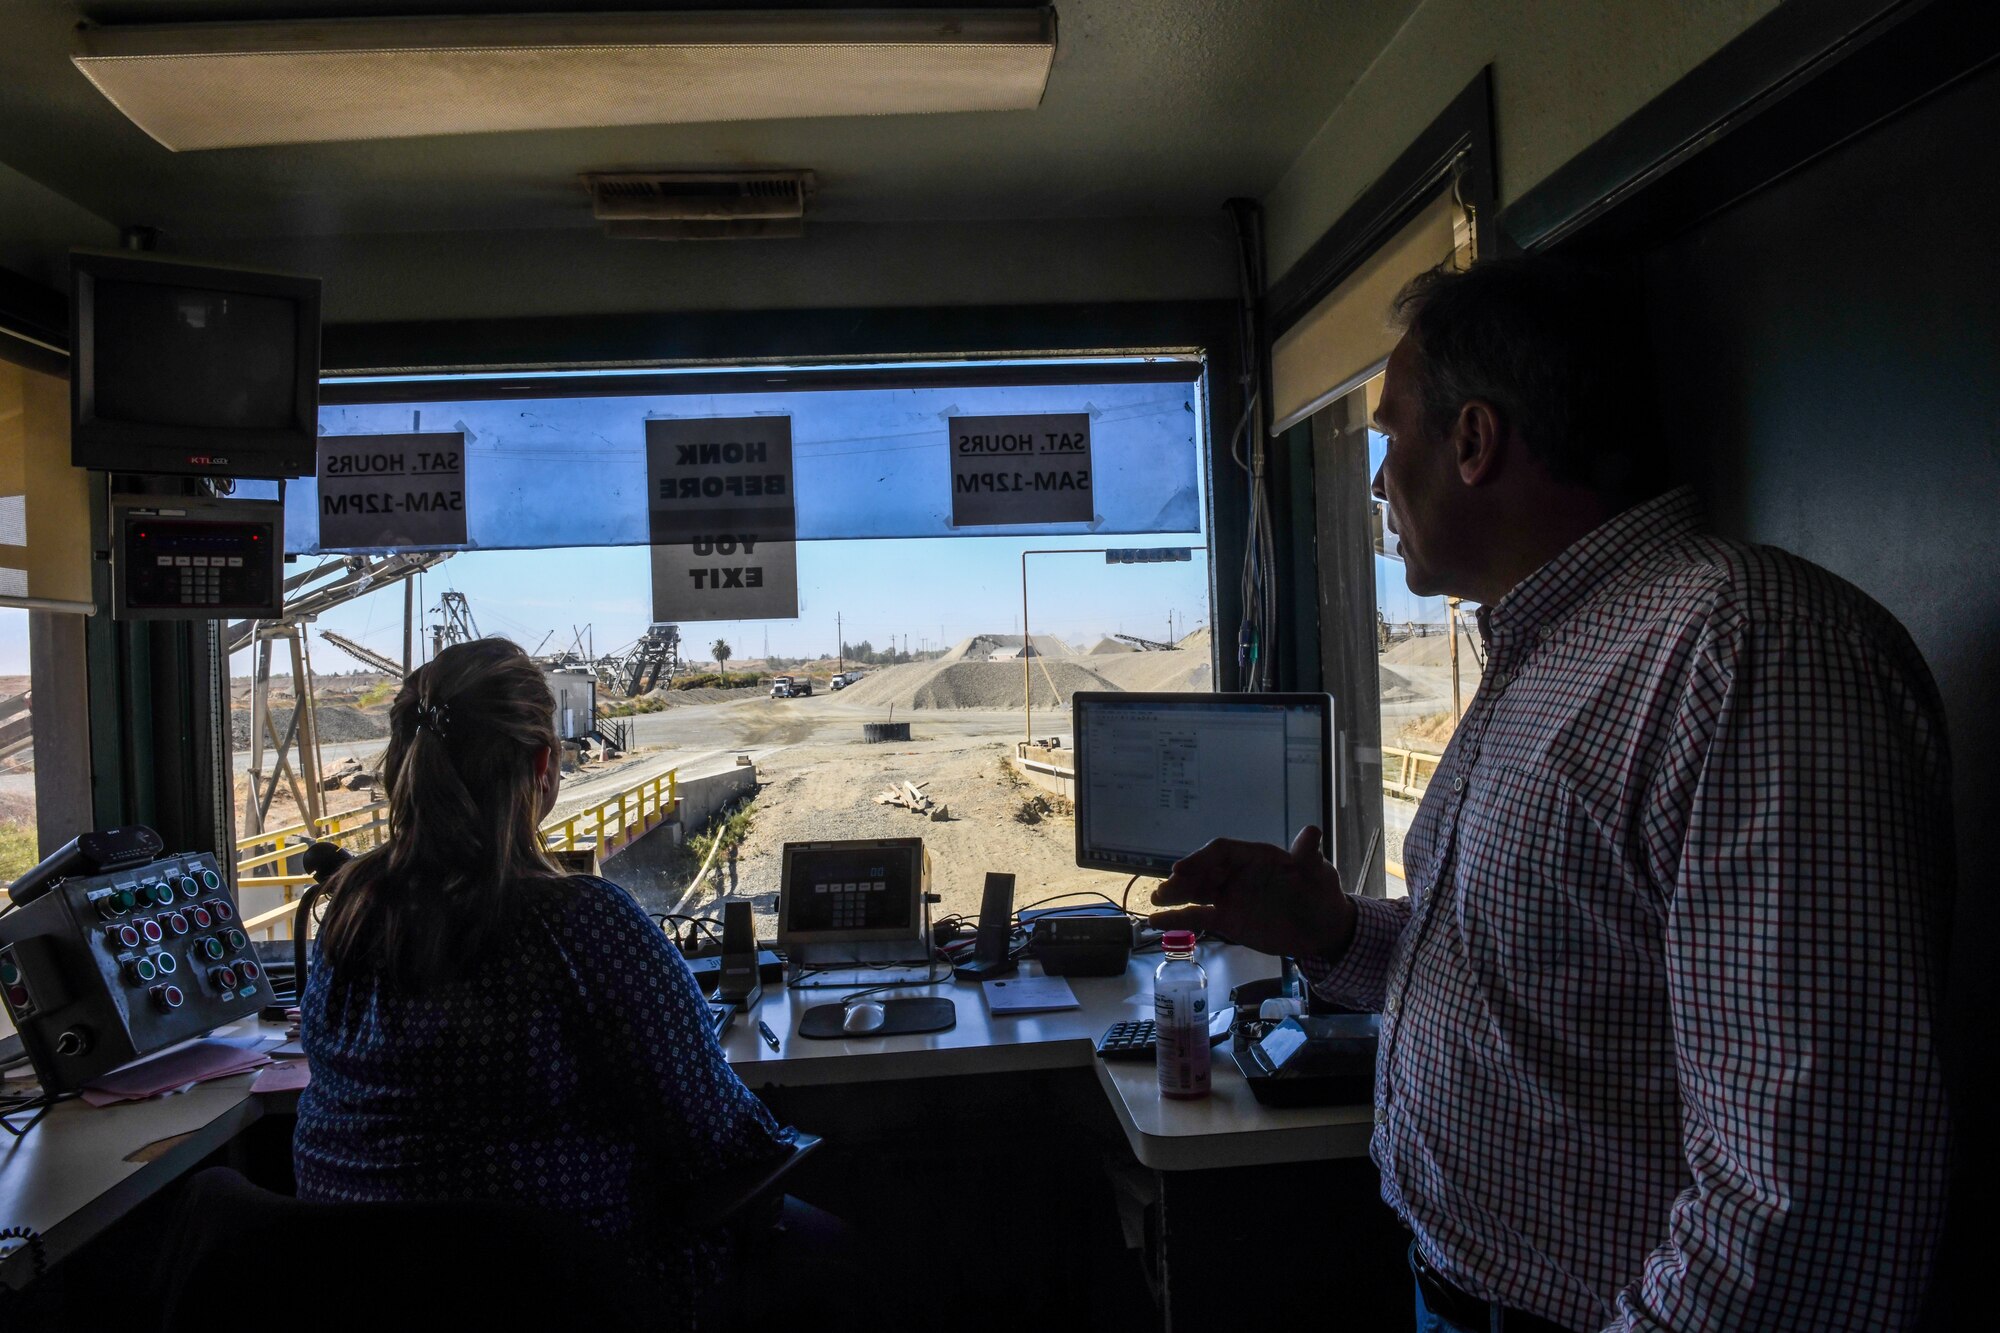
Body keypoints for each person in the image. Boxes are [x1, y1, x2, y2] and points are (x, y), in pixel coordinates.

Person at [1153, 257, 1952, 1332]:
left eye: (1391, 438)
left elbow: (1806, 1191)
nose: (1380, 480)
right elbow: (1537, 974)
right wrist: (1333, 929)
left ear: (1473, 442)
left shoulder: (1744, 650)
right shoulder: (1550, 651)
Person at [295, 638, 797, 1324]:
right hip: (577, 1295)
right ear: (543, 766)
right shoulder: (577, 924)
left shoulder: (346, 915)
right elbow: (725, 1138)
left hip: (360, 1294)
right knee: (841, 1257)